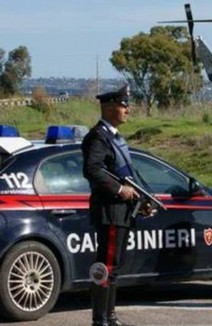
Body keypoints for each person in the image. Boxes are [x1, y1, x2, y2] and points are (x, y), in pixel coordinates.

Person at [82, 85, 137, 326]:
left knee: (113, 267)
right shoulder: (98, 136)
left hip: (121, 211)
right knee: (105, 267)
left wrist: (138, 199)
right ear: (109, 107)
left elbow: (124, 175)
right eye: (124, 105)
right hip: (110, 211)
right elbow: (92, 169)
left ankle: (110, 316)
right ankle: (100, 320)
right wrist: (119, 190)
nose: (128, 109)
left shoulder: (115, 138)